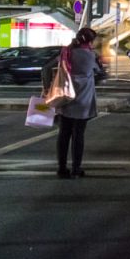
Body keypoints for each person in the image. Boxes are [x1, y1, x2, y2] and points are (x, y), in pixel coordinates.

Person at [51, 28, 100, 179]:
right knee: (78, 135)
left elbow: (47, 68)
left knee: (64, 134)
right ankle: (76, 168)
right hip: (82, 101)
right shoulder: (90, 55)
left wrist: (48, 88)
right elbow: (98, 71)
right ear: (90, 41)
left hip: (66, 98)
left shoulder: (67, 52)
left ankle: (61, 168)